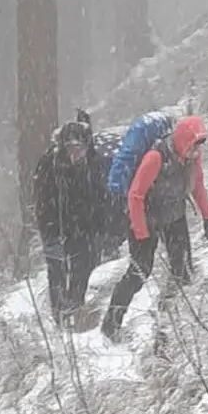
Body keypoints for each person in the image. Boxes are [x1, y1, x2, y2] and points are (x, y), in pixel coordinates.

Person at [101, 115, 208, 339]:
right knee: (138, 272)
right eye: (193, 147)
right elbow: (135, 195)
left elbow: (197, 186)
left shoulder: (193, 158)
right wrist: (142, 232)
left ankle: (174, 321)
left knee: (183, 270)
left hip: (174, 216)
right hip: (145, 217)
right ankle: (111, 324)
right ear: (183, 141)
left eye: (198, 148)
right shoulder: (156, 157)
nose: (196, 153)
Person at [33, 113, 128, 327]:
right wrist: (50, 237)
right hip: (57, 226)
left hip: (86, 228)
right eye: (71, 149)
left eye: (80, 149)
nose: (76, 155)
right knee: (56, 273)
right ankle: (59, 318)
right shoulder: (50, 166)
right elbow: (43, 205)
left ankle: (75, 312)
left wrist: (107, 231)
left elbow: (104, 198)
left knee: (82, 270)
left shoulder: (95, 164)